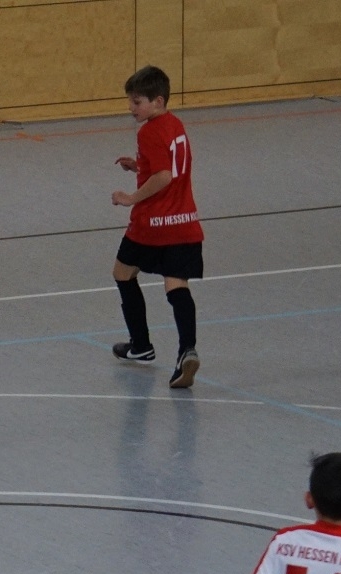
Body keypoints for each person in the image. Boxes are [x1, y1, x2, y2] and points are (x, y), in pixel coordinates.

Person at [110, 65, 204, 389]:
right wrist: (140, 166)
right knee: (176, 285)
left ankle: (141, 345)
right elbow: (169, 165)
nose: (131, 108)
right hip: (184, 222)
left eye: (137, 102)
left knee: (123, 273)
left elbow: (164, 176)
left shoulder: (148, 132)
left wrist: (131, 197)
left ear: (158, 100)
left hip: (152, 224)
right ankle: (187, 351)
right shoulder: (175, 125)